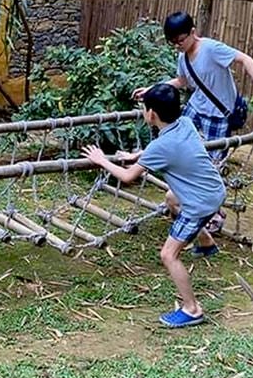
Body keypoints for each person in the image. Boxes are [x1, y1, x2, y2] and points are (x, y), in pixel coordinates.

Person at [82, 83, 226, 328]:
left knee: (168, 255)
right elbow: (165, 148)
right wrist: (139, 155)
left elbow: (128, 177)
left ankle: (192, 309)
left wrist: (101, 160)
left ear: (151, 114)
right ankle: (205, 242)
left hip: (199, 203)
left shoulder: (161, 146)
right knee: (171, 198)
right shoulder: (185, 125)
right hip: (214, 190)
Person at [133, 11, 253, 161]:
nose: (177, 46)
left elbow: (246, 59)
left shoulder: (211, 49)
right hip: (195, 107)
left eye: (180, 40)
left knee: (211, 160)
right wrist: (152, 89)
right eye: (172, 42)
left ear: (192, 32)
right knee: (176, 138)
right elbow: (182, 81)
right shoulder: (183, 55)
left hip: (219, 113)